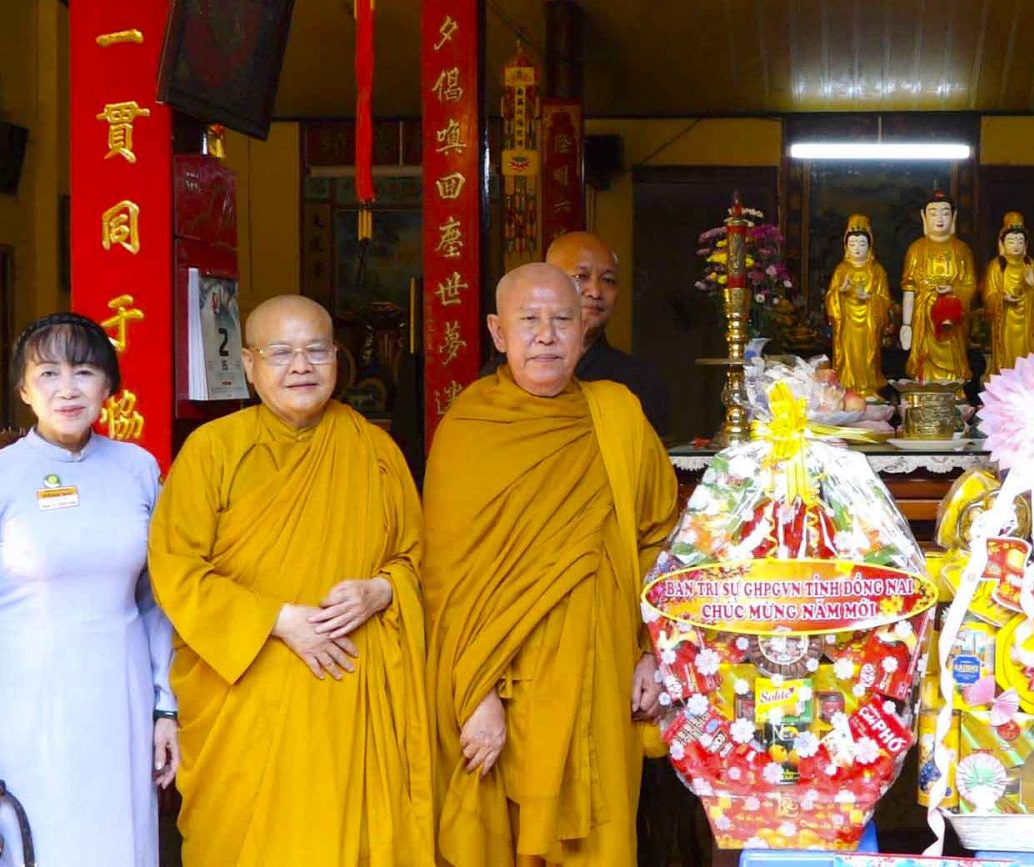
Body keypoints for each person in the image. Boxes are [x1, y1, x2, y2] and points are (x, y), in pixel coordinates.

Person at [147, 295, 433, 866]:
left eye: (316, 351)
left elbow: (417, 558)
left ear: (337, 359)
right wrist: (276, 620)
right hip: (246, 708)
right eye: (280, 353)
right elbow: (176, 569)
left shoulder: (374, 449)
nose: (301, 367)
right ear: (248, 365)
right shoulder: (213, 451)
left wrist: (381, 590)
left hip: (350, 710)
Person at [424, 263, 677, 866]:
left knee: (601, 840)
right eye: (529, 320)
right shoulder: (469, 428)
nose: (546, 335)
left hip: (603, 674)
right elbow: (445, 581)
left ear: (583, 329)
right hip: (504, 689)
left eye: (563, 319)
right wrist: (473, 694)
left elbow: (661, 538)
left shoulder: (617, 415)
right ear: (497, 332)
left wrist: (654, 649)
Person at [0, 314, 177, 866]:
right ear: (24, 390)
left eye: (84, 371)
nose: (68, 389)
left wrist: (165, 707)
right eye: (48, 374)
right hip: (24, 708)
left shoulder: (138, 469)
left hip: (120, 703)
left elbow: (156, 600)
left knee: (120, 843)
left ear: (108, 386)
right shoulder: (4, 474)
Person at [545, 230, 670, 436]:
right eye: (581, 277)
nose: (595, 292)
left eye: (608, 280)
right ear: (546, 284)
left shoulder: (639, 381)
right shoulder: (507, 375)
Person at [900, 188, 978, 383]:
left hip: (953, 317)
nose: (940, 218)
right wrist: (906, 324)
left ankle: (953, 386)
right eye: (933, 213)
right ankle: (926, 384)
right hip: (924, 317)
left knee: (952, 354)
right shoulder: (916, 248)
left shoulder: (962, 249)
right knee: (924, 360)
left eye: (945, 213)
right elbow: (909, 287)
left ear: (954, 216)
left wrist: (954, 290)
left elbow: (970, 285)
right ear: (924, 216)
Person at [824, 213, 892, 398]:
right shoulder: (842, 269)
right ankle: (847, 388)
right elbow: (830, 297)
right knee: (848, 355)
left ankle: (868, 388)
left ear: (870, 245)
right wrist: (840, 291)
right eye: (853, 244)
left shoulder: (877, 271)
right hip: (847, 323)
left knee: (868, 355)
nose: (857, 248)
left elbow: (885, 300)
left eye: (862, 244)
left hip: (869, 323)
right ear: (846, 245)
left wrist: (870, 298)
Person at [982, 211, 1034, 378]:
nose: (1016, 245)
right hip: (1006, 320)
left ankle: (1028, 380)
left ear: (1025, 244)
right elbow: (989, 296)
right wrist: (1002, 298)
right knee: (1006, 353)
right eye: (1011, 241)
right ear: (1002, 244)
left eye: (1020, 241)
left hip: (1026, 321)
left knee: (1026, 354)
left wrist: (1033, 286)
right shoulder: (997, 266)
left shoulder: (1030, 265)